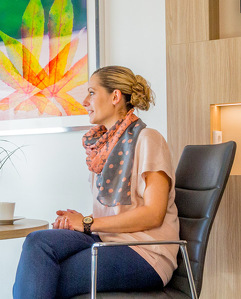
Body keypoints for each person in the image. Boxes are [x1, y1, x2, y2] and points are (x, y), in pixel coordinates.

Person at [13, 66, 179, 298]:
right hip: (107, 240)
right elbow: (112, 214)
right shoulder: (101, 150)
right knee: (37, 242)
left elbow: (154, 213)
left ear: (115, 96)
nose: (84, 101)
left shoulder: (148, 139)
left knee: (47, 277)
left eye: (91, 92)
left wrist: (88, 222)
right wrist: (78, 221)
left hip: (145, 253)